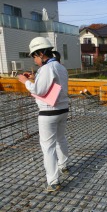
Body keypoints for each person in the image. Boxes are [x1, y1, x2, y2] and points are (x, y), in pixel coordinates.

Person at [18, 37, 69, 192]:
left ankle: (53, 181)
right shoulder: (60, 67)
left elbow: (39, 91)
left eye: (34, 56)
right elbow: (53, 83)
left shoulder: (46, 69)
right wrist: (35, 78)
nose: (34, 60)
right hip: (63, 109)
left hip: (48, 112)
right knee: (61, 138)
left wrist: (25, 82)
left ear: (41, 53)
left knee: (48, 147)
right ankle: (64, 165)